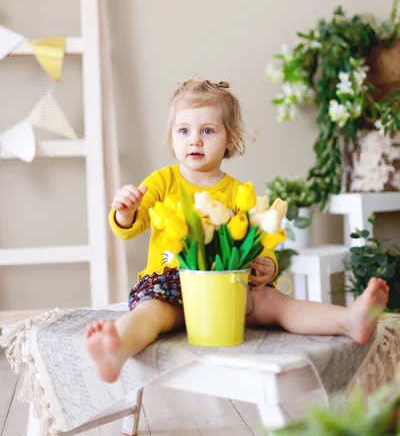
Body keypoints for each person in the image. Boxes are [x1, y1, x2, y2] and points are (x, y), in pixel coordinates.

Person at [85, 77, 389, 383]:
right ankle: (116, 351)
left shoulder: (238, 192)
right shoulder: (163, 181)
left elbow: (258, 239)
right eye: (184, 131)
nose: (195, 140)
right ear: (172, 138)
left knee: (277, 304)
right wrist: (125, 211)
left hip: (227, 289)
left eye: (207, 130)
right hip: (171, 287)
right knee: (149, 314)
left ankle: (348, 320)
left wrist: (267, 264)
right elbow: (129, 228)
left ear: (229, 139)